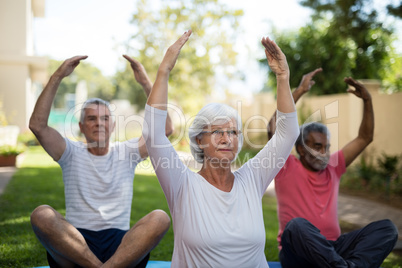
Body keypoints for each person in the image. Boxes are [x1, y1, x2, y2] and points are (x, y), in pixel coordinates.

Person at [142, 30, 299, 267]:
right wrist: (164, 71)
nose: (227, 139)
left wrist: (283, 77)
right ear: (199, 141)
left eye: (233, 132)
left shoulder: (252, 179)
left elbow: (288, 133)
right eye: (217, 132)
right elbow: (153, 133)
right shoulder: (182, 184)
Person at [29, 55, 172, 268]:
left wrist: (145, 82)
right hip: (76, 245)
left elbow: (166, 130)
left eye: (105, 118)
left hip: (121, 246)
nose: (99, 123)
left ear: (113, 126)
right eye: (92, 119)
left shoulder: (127, 152)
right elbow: (38, 126)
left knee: (160, 218)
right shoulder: (70, 152)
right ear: (81, 126)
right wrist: (58, 76)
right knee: (41, 214)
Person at [267, 69, 398, 267]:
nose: (325, 152)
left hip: (333, 249)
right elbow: (273, 128)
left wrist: (368, 101)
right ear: (301, 149)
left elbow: (364, 138)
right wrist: (300, 91)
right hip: (297, 252)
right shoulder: (285, 166)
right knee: (296, 226)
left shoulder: (333, 167)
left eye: (327, 146)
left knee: (387, 229)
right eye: (317, 146)